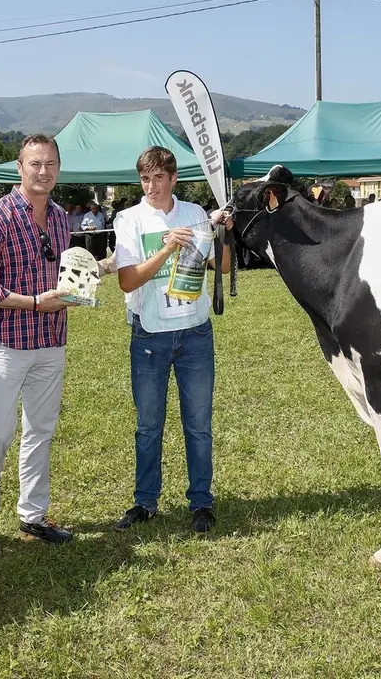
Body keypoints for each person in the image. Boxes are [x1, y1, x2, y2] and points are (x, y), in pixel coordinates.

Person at [0, 134, 80, 558]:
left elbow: (64, 277)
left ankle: (33, 514)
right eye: (35, 163)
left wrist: (76, 291)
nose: (43, 171)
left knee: (41, 431)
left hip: (51, 340)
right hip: (6, 343)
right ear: (20, 168)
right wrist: (33, 302)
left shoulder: (61, 218)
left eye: (50, 163)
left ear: (58, 168)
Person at [111, 146, 232, 534]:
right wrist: (166, 247)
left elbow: (223, 266)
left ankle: (202, 502)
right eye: (145, 179)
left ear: (173, 178)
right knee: (149, 425)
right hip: (149, 335)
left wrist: (223, 234)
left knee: (198, 425)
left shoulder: (194, 213)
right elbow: (127, 280)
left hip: (195, 334)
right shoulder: (128, 219)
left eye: (159, 178)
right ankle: (145, 502)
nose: (151, 187)